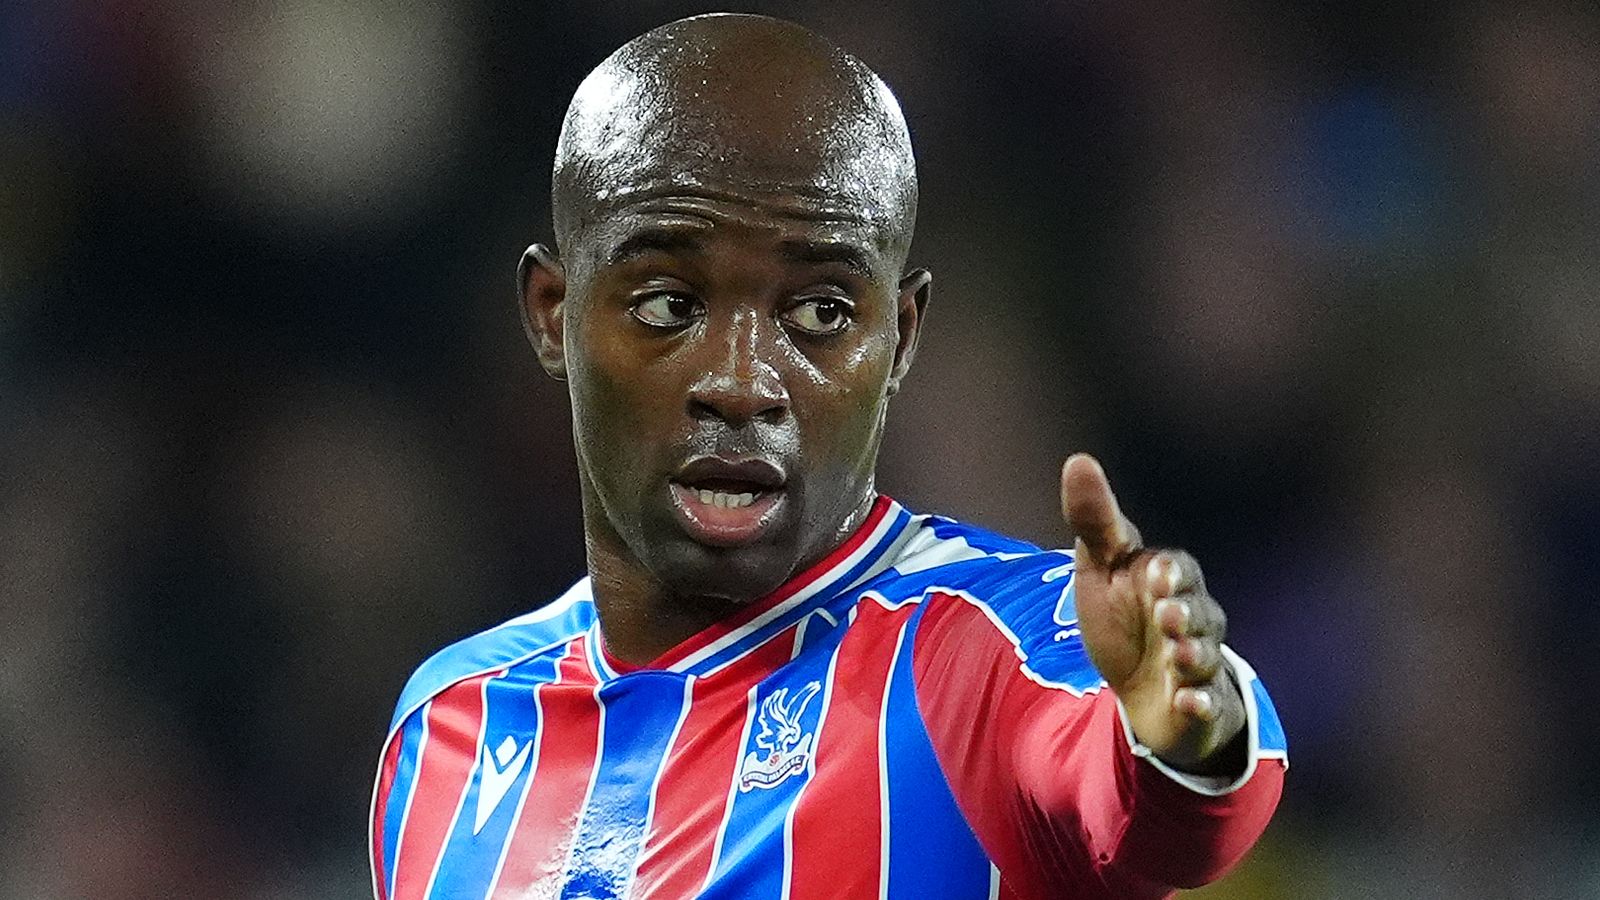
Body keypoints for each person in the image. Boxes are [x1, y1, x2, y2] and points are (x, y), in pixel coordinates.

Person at [368, 13, 1286, 900]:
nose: (741, 382)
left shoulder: (984, 649)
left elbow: (1145, 797)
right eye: (668, 305)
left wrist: (1182, 738)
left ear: (902, 337)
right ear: (552, 313)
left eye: (820, 313)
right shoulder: (450, 726)